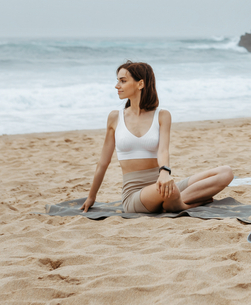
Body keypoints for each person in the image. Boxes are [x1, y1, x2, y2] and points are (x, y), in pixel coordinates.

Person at [81, 61, 235, 213]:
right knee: (171, 190)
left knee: (226, 172)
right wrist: (91, 197)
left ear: (140, 84)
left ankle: (174, 201)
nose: (117, 86)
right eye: (118, 81)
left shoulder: (162, 115)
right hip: (135, 195)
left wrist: (164, 172)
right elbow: (103, 162)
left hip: (161, 182)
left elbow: (163, 151)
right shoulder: (115, 117)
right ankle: (181, 204)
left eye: (123, 81)